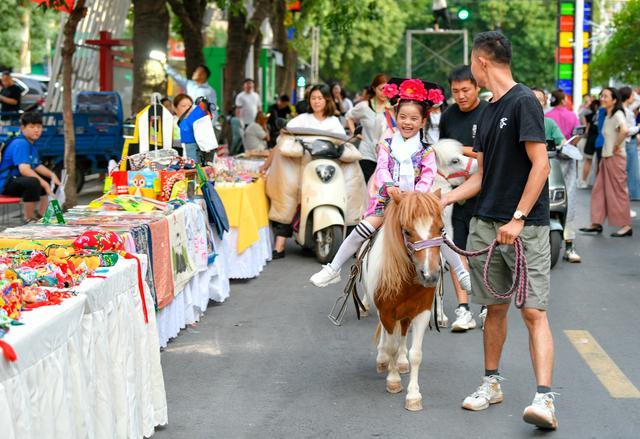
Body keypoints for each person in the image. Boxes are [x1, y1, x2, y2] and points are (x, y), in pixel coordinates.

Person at [441, 31, 558, 430]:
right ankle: (491, 383)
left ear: (482, 63)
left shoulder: (524, 101)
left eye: (471, 63)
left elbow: (540, 165)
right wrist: (440, 200)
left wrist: (518, 218)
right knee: (493, 309)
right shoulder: (488, 111)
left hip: (523, 229)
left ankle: (544, 400)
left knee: (533, 311)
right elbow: (482, 176)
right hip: (486, 224)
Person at [310, 78, 471, 294]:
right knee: (361, 230)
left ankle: (461, 272)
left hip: (417, 203)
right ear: (395, 117)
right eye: (403, 117)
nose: (407, 122)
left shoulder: (427, 151)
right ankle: (333, 268)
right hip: (388, 200)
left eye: (414, 118)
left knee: (437, 235)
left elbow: (428, 175)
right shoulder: (385, 145)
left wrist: (415, 196)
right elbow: (382, 169)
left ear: (423, 121)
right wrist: (390, 186)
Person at [439, 65, 489, 332]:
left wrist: (462, 151)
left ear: (477, 87)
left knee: (483, 253)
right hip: (456, 194)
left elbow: (491, 153)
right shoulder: (448, 117)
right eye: (456, 91)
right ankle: (463, 308)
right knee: (457, 251)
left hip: (488, 193)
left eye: (465, 90)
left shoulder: (489, 112)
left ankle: (485, 307)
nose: (460, 95)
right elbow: (443, 155)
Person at [269, 84, 344, 259]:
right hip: (302, 168)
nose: (317, 101)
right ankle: (279, 244)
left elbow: (343, 142)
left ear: (327, 100)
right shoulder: (303, 118)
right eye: (313, 98)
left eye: (320, 98)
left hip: (326, 168)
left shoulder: (334, 122)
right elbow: (285, 133)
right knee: (289, 197)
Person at [532, 88, 581, 263]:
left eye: (540, 99)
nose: (536, 102)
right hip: (523, 177)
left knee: (567, 201)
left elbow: (561, 142)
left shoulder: (550, 123)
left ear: (545, 102)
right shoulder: (518, 121)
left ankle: (569, 245)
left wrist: (565, 147)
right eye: (533, 98)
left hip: (548, 173)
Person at [580, 87, 632, 237]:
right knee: (599, 190)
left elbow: (624, 130)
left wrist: (617, 145)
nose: (602, 98)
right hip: (606, 157)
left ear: (614, 100)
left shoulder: (617, 114)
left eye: (605, 96)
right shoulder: (607, 114)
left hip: (615, 158)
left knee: (618, 191)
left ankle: (626, 225)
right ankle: (596, 222)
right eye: (601, 95)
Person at [0, 112, 60, 221]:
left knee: (49, 180)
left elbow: (36, 165)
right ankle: (29, 219)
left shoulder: (29, 144)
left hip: (16, 181)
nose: (36, 130)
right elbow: (24, 170)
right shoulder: (21, 143)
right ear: (23, 128)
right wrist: (45, 185)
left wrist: (52, 176)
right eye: (32, 127)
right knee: (33, 182)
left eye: (39, 127)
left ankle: (43, 217)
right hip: (5, 183)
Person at [346, 73, 390, 183]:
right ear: (374, 88)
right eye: (381, 89)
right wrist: (355, 133)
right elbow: (349, 117)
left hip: (387, 156)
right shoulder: (364, 106)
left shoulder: (393, 108)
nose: (384, 93)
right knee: (367, 187)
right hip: (367, 154)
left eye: (387, 89)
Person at [619, 86, 640, 200]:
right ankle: (633, 194)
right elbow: (626, 130)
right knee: (632, 169)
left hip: (628, 141)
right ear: (627, 97)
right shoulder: (624, 111)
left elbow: (638, 101)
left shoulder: (625, 109)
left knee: (629, 169)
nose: (634, 97)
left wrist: (634, 92)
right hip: (628, 140)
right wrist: (637, 128)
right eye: (632, 95)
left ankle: (631, 193)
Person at [580, 98, 601, 186]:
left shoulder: (590, 114)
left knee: (588, 160)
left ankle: (584, 181)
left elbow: (584, 124)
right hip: (600, 138)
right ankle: (597, 183)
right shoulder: (605, 114)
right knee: (599, 162)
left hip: (591, 138)